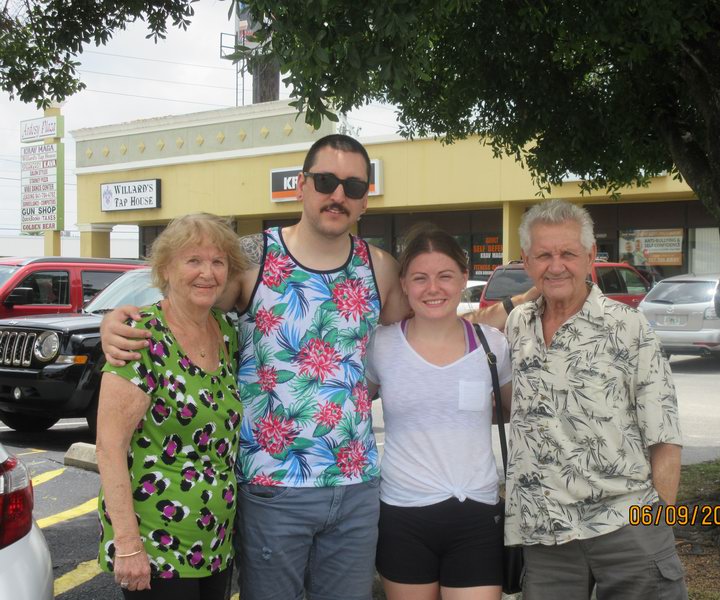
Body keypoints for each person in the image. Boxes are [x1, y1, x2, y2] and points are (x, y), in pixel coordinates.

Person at [99, 134, 535, 600]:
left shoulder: (379, 268)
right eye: (326, 181)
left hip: (356, 490)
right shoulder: (253, 257)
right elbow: (186, 299)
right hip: (272, 488)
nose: (338, 195)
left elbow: (436, 320)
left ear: (365, 200)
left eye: (353, 186)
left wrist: (525, 301)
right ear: (302, 185)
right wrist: (117, 319)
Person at [504, 199, 687, 599]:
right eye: (544, 255)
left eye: (568, 254)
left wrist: (659, 524)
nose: (556, 266)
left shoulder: (628, 327)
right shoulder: (519, 324)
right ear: (526, 262)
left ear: (590, 257)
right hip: (545, 534)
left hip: (626, 526)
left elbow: (664, 435)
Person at [95, 213, 249, 599]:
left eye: (217, 262)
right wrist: (127, 544)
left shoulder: (226, 332)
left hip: (215, 541)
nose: (207, 273)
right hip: (156, 544)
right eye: (193, 260)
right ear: (165, 269)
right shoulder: (140, 338)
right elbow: (109, 447)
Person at [366, 224, 512, 600]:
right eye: (420, 278)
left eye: (445, 276)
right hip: (403, 514)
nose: (433, 288)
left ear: (464, 278)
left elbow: (512, 410)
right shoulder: (380, 345)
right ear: (403, 284)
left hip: (477, 514)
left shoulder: (493, 347)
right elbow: (347, 410)